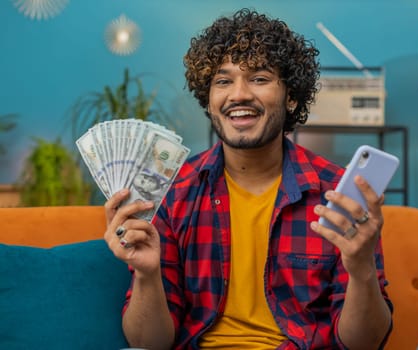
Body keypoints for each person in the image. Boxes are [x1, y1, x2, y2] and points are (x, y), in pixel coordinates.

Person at [104, 8, 393, 350]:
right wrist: (148, 276)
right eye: (223, 81)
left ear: (292, 98)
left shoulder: (337, 195)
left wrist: (360, 271)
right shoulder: (171, 193)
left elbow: (365, 345)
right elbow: (149, 344)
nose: (238, 94)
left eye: (259, 78)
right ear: (209, 100)